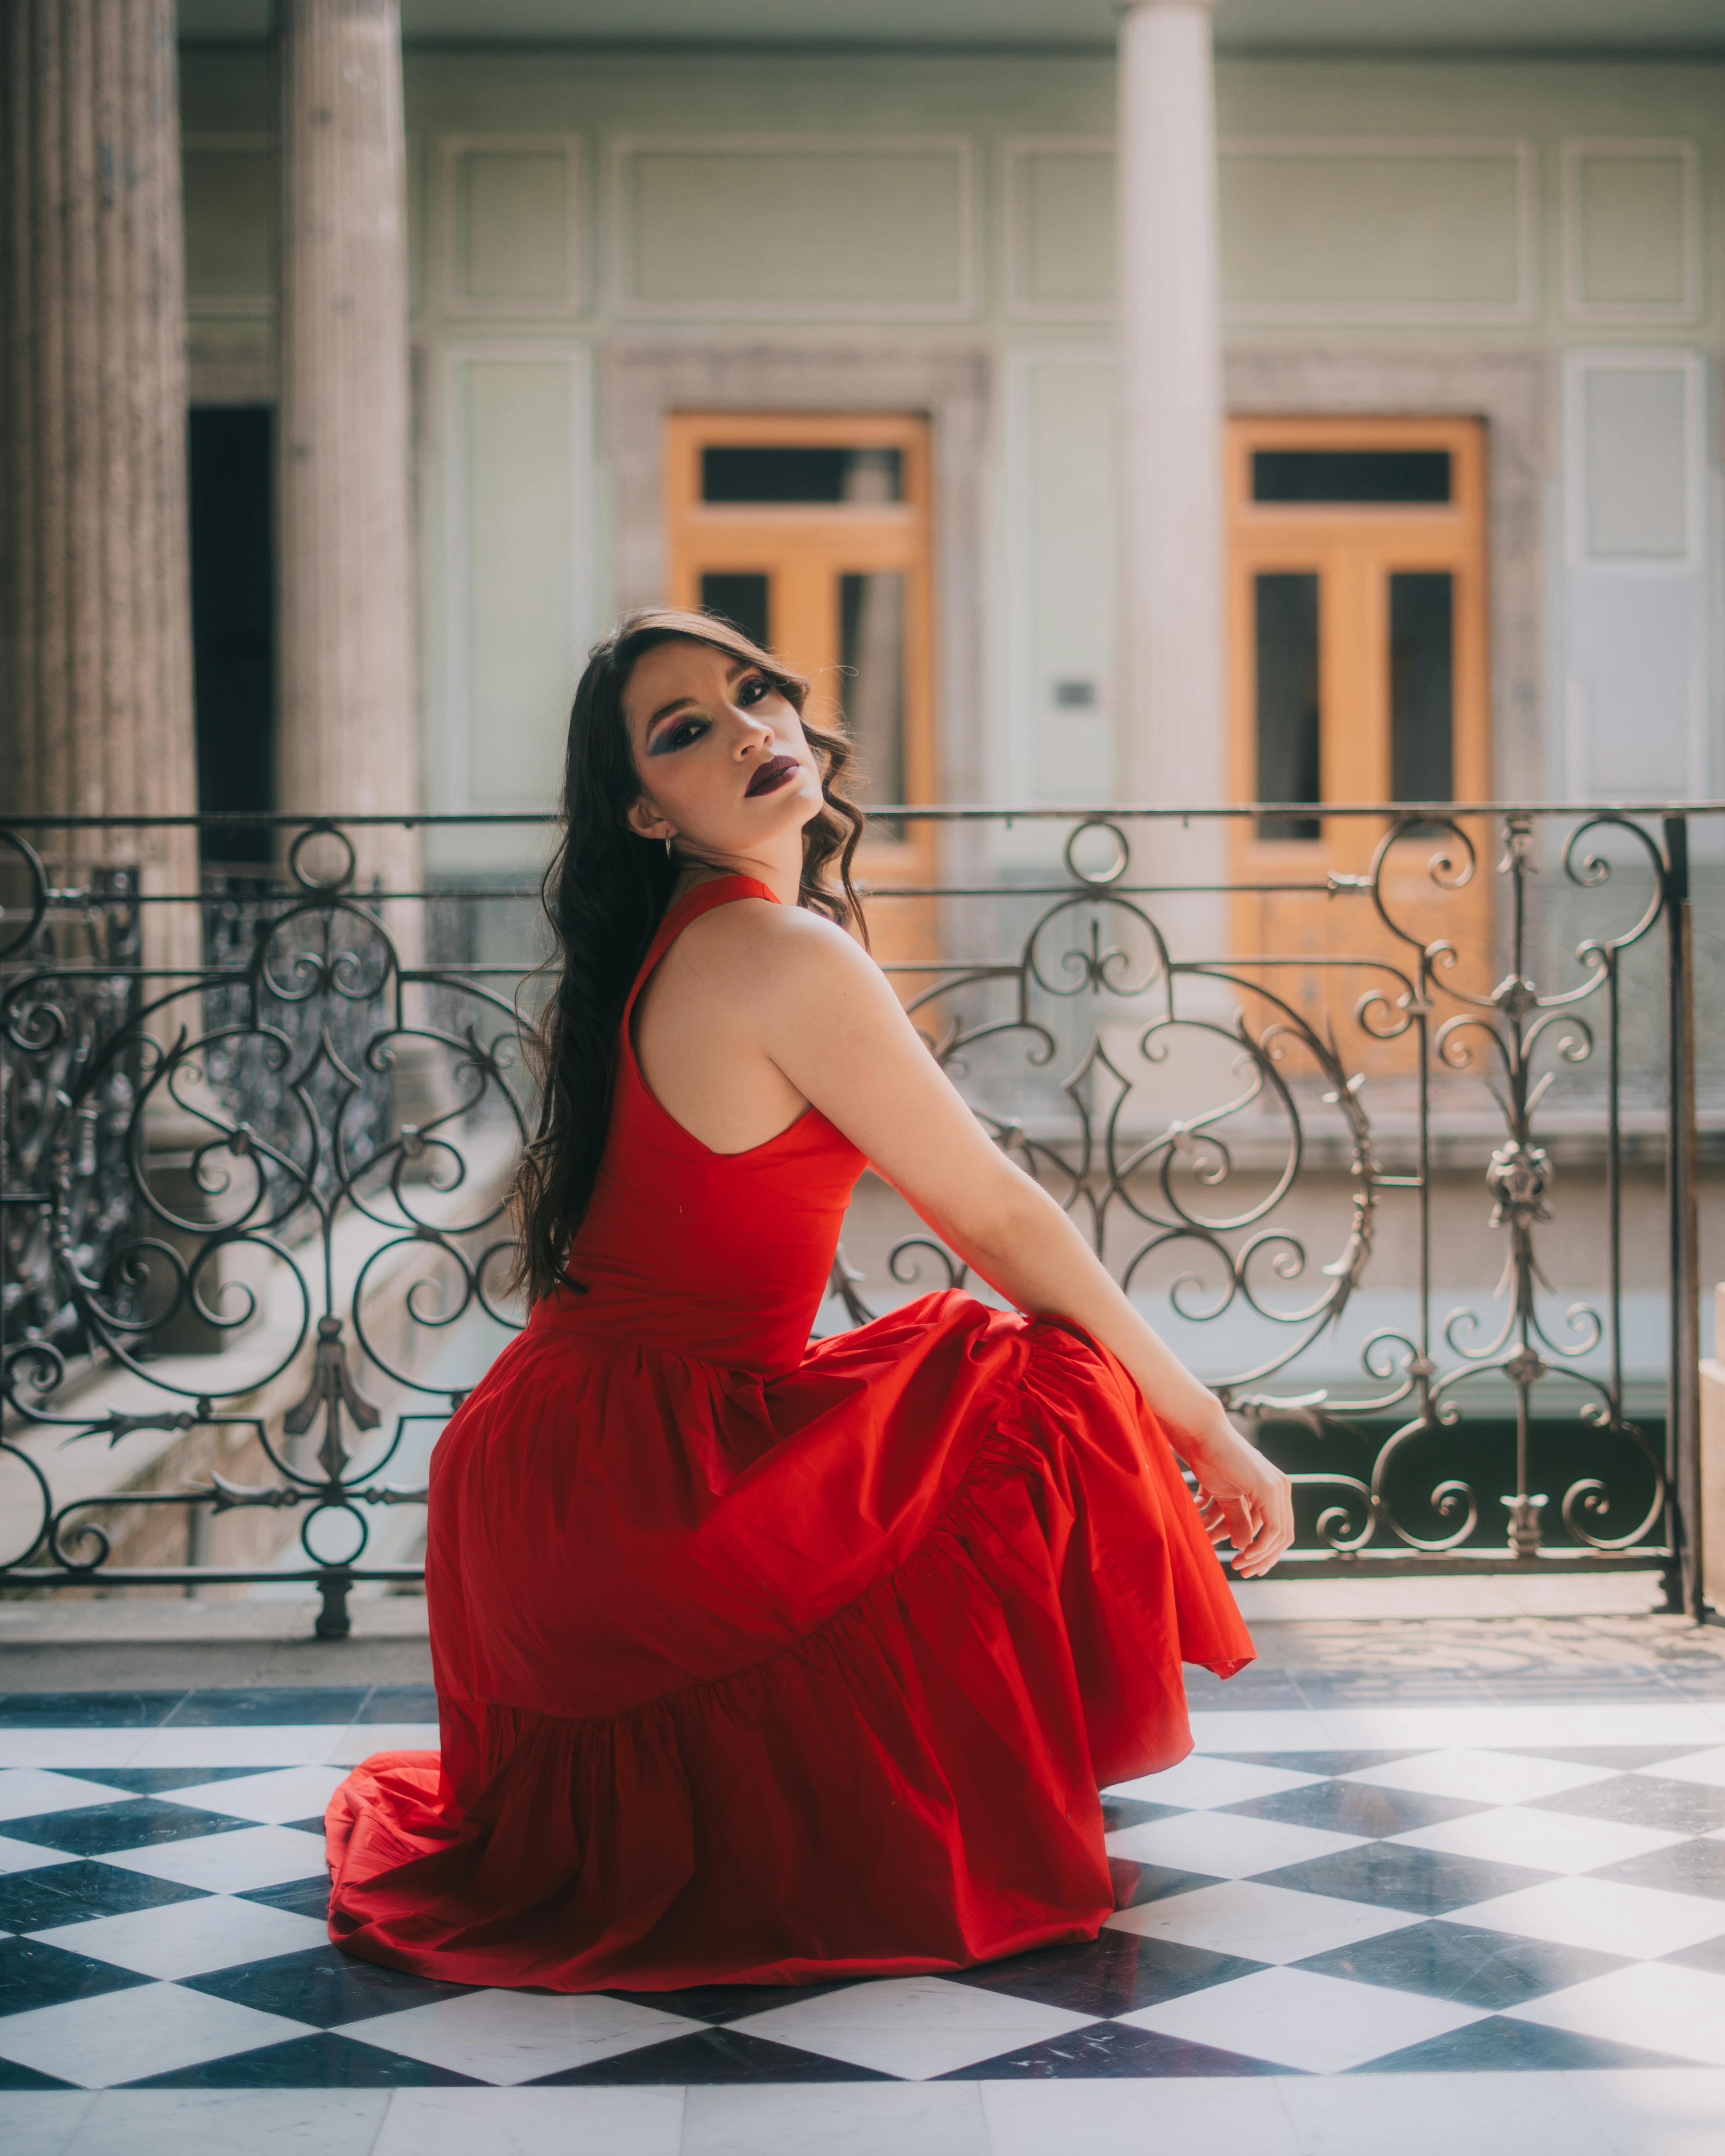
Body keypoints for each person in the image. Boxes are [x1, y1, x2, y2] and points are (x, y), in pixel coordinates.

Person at [325, 606, 1293, 1993]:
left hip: (553, 1474)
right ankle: (986, 1780)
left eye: (755, 693)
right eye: (686, 732)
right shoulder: (776, 952)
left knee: (951, 1376)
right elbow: (998, 1217)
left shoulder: (702, 937)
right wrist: (1208, 1427)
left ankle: (959, 1767)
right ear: (646, 812)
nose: (748, 733)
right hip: (625, 1485)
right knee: (1041, 1378)